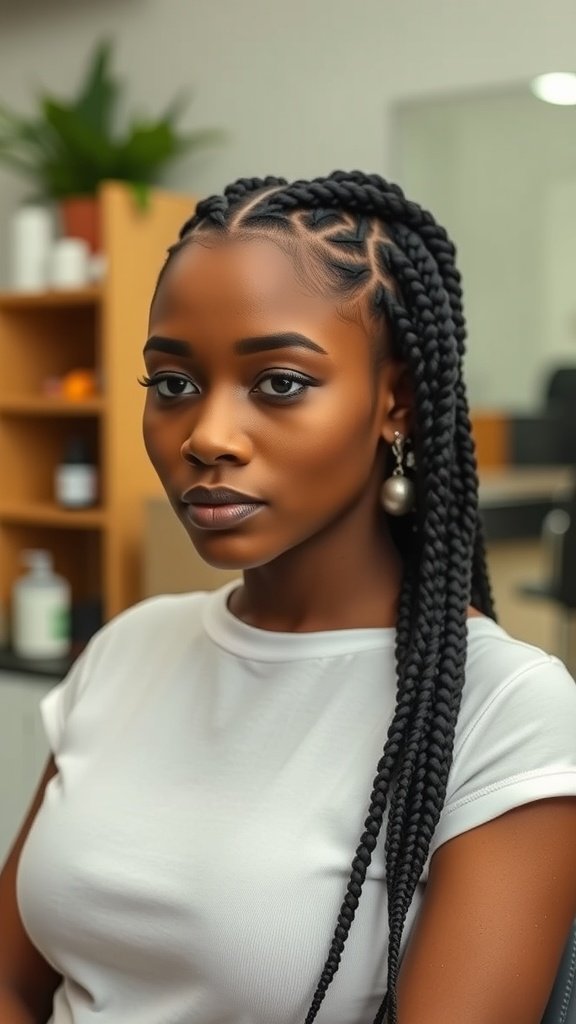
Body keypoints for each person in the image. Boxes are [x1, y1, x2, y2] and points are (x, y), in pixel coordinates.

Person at [1, 171, 575, 1024]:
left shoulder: (503, 709)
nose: (206, 435)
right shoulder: (129, 646)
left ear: (397, 403)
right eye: (172, 384)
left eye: (278, 383)